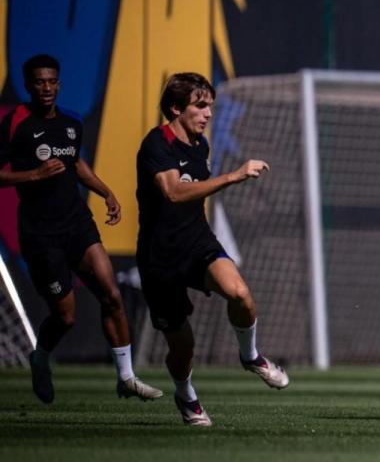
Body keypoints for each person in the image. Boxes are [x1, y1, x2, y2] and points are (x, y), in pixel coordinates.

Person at [0, 54, 162, 404]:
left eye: (52, 81)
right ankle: (40, 357)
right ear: (29, 85)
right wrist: (34, 175)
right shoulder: (16, 122)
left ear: (59, 83)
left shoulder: (71, 123)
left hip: (77, 224)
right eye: (39, 82)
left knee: (112, 294)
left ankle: (127, 377)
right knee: (66, 316)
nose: (47, 87)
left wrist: (106, 193)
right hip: (41, 235)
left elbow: (76, 164)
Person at [136, 72, 288, 427]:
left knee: (241, 294)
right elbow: (173, 193)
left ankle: (251, 357)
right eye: (200, 106)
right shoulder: (156, 144)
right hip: (161, 257)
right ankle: (186, 395)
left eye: (210, 107)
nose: (207, 115)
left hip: (197, 242)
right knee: (183, 346)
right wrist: (233, 176)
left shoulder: (200, 145)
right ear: (176, 108)